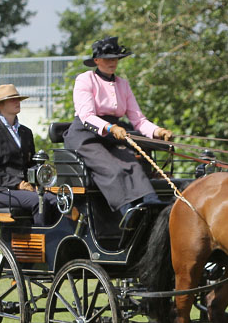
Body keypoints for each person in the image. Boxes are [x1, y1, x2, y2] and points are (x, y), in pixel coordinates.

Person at [63, 36, 173, 227]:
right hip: (85, 135)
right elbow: (86, 115)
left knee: (132, 163)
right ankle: (127, 211)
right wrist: (110, 127)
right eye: (107, 58)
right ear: (96, 60)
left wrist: (157, 131)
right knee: (111, 168)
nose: (112, 62)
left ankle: (150, 203)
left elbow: (138, 119)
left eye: (115, 59)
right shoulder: (85, 79)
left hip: (113, 135)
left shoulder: (123, 84)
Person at [0, 84, 58, 225]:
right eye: (12, 99)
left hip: (26, 188)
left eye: (18, 99)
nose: (17, 102)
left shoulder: (26, 132)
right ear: (0, 105)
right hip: (0, 191)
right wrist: (18, 184)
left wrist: (40, 182)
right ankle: (43, 243)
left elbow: (31, 164)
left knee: (59, 200)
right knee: (39, 201)